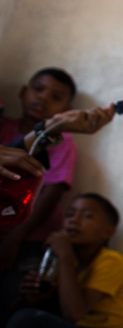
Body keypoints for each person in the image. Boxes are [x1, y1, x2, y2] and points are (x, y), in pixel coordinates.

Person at [3, 193, 123, 328]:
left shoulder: (110, 261)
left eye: (87, 216)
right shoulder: (66, 263)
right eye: (70, 214)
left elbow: (75, 313)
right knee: (19, 317)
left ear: (108, 232)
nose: (74, 221)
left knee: (29, 321)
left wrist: (65, 255)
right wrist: (30, 299)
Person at [0, 68, 81, 278]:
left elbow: (52, 193)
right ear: (23, 92)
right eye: (38, 89)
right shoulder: (3, 126)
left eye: (55, 97)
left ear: (67, 109)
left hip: (31, 235)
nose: (43, 97)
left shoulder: (61, 142)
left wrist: (15, 238)